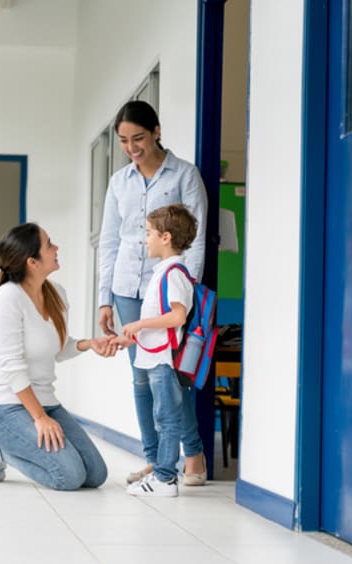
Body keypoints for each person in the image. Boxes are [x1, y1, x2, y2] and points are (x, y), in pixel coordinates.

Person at [98, 100, 207, 486]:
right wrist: (104, 298)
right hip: (128, 288)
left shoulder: (185, 175)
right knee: (141, 378)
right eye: (125, 141)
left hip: (169, 290)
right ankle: (154, 458)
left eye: (139, 138)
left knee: (172, 377)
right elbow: (110, 241)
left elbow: (194, 241)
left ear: (156, 131)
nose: (132, 148)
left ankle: (192, 454)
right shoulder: (118, 182)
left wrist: (184, 290)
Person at [0, 222, 111, 491]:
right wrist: (40, 418)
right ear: (32, 262)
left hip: (43, 401)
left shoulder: (56, 293)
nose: (57, 248)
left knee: (95, 474)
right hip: (0, 406)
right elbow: (14, 369)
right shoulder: (7, 299)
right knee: (69, 476)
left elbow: (57, 348)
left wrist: (88, 344)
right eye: (49, 245)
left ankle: (9, 443)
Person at [112, 204, 199, 497]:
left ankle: (165, 479)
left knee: (167, 418)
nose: (143, 239)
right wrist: (130, 336)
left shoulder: (174, 273)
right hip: (154, 356)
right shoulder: (163, 271)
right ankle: (163, 474)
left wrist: (139, 323)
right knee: (163, 416)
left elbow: (177, 317)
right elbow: (160, 322)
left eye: (148, 233)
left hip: (164, 360)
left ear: (166, 238)